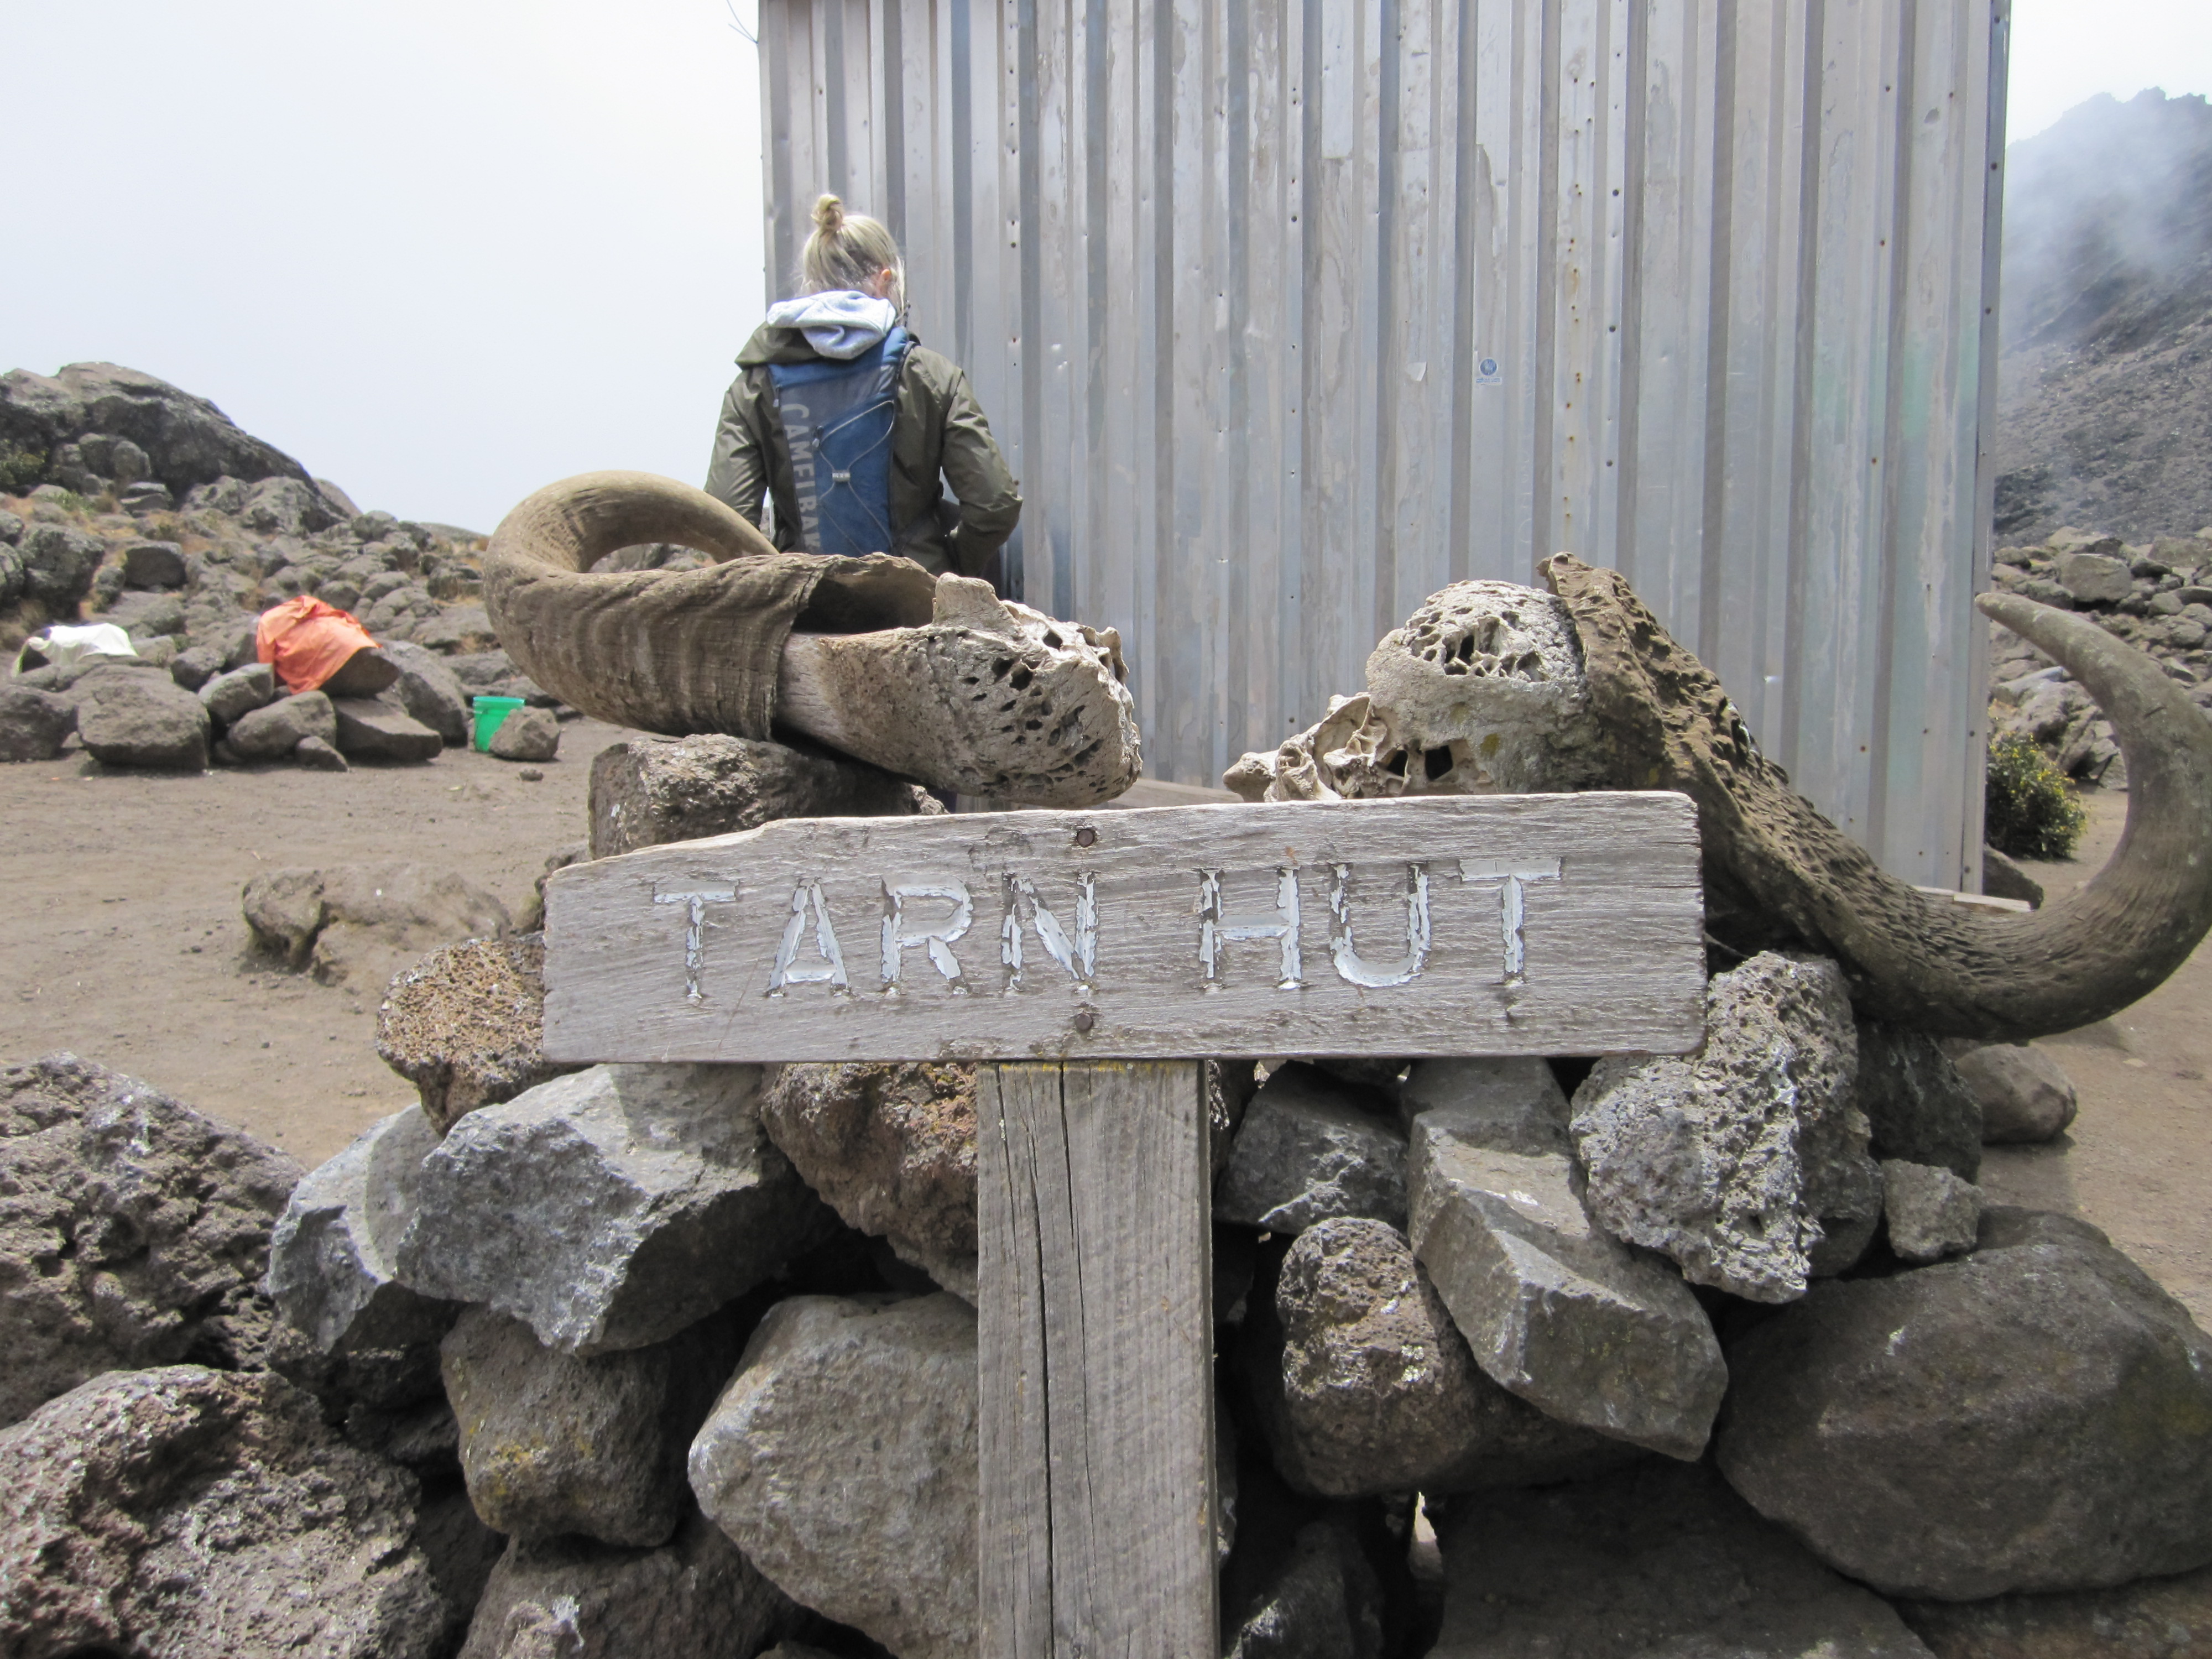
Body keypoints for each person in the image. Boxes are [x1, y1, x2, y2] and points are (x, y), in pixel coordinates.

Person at [705, 194, 1022, 581]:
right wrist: (947, 566)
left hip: (808, 606)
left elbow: (725, 523)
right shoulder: (930, 374)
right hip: (916, 607)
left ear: (811, 287)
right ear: (885, 280)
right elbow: (995, 504)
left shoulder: (753, 386)